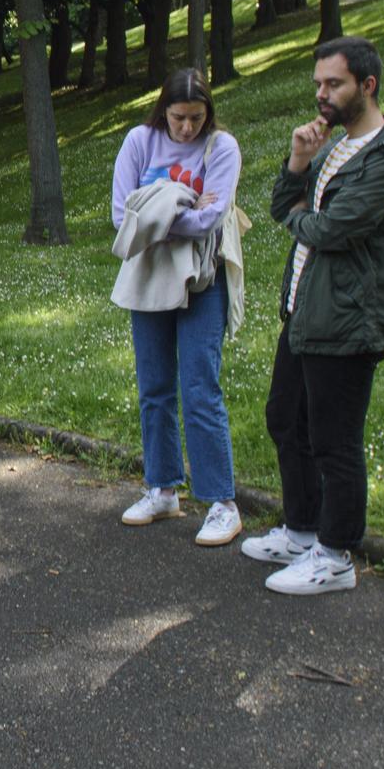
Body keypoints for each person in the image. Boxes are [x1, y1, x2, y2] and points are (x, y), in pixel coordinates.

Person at [244, 36, 384, 596]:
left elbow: (331, 230)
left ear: (367, 86)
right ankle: (301, 531)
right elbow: (283, 206)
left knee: (333, 440)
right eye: (318, 84)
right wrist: (298, 162)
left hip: (349, 320)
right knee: (286, 420)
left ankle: (336, 554)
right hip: (306, 309)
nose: (322, 95)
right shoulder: (334, 148)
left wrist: (301, 213)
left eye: (334, 84)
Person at [108, 69, 244, 547]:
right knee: (154, 386)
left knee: (200, 386)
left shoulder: (221, 148)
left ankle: (221, 502)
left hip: (201, 280)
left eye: (196, 119)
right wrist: (183, 203)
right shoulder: (140, 140)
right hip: (149, 280)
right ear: (162, 110)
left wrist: (158, 211)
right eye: (178, 118)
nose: (186, 129)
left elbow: (212, 219)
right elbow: (120, 215)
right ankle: (162, 488)